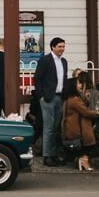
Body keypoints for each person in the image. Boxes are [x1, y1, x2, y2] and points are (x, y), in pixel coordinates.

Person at [33, 36, 68, 167]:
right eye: (60, 46)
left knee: (55, 127)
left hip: (60, 97)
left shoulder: (64, 61)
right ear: (53, 47)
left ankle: (53, 154)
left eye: (63, 46)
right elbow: (37, 78)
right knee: (48, 127)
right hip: (48, 97)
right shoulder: (45, 60)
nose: (62, 49)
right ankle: (47, 156)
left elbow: (63, 78)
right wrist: (41, 96)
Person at [62, 75, 99, 172]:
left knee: (93, 141)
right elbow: (86, 112)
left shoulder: (71, 98)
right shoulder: (75, 100)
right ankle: (83, 160)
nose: (80, 85)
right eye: (78, 83)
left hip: (74, 129)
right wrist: (98, 113)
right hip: (76, 132)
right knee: (95, 143)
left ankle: (83, 160)